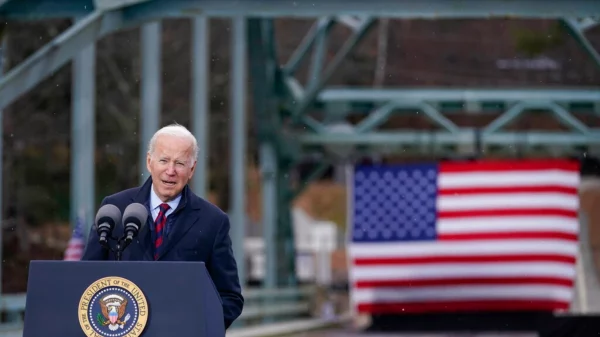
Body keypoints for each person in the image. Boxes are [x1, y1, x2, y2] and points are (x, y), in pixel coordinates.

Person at [82, 123, 244, 329]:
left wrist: (199, 328)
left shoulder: (213, 221)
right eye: (164, 160)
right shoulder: (114, 209)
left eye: (179, 163)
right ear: (149, 162)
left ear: (192, 169)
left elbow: (230, 297)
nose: (170, 171)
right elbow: (86, 278)